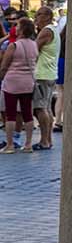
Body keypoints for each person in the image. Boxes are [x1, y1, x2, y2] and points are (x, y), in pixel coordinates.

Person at [0, 16, 38, 153]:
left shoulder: (14, 45)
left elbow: (4, 66)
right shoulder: (34, 44)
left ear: (21, 29)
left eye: (17, 26)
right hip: (28, 82)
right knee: (27, 114)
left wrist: (1, 76)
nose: (14, 28)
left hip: (12, 82)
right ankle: (28, 144)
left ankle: (10, 145)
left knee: (10, 114)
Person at [32, 6, 57, 150]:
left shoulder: (46, 31)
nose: (36, 18)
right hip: (49, 73)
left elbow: (34, 49)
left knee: (40, 109)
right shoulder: (52, 30)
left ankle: (44, 141)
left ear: (47, 16)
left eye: (39, 15)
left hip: (42, 74)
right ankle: (48, 139)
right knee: (46, 108)